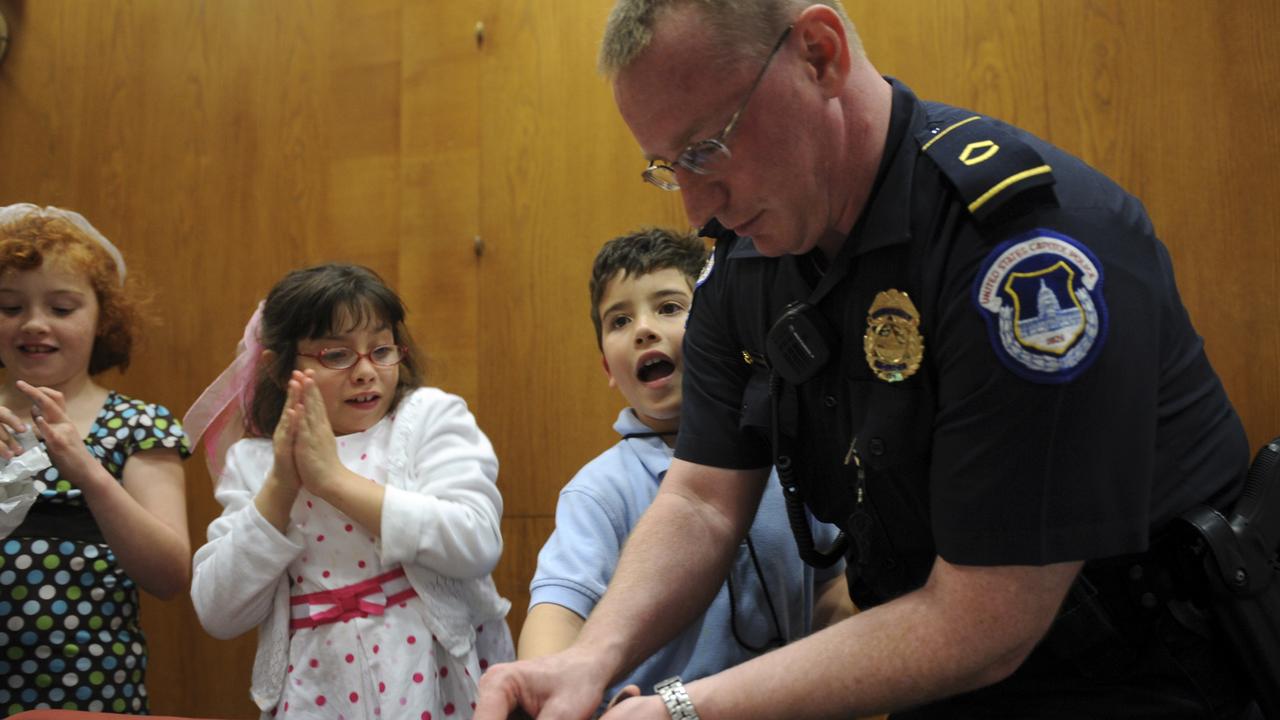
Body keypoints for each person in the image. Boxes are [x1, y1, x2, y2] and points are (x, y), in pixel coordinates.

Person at [475, 1, 1257, 718]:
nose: (694, 205)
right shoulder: (746, 262)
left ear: (819, 54)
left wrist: (682, 708)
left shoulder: (1020, 253)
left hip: (1144, 679)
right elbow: (702, 500)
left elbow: (988, 620)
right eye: (667, 164)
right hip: (938, 680)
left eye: (708, 147)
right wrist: (593, 659)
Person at [518, 228, 851, 708]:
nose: (643, 329)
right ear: (608, 369)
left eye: (669, 308)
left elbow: (828, 585)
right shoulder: (598, 490)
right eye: (619, 321)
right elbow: (558, 611)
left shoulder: (786, 455)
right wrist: (547, 690)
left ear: (719, 331)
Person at [187, 263, 513, 719]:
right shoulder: (256, 462)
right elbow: (218, 613)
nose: (366, 372)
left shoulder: (428, 418)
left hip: (434, 682)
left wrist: (333, 481)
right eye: (336, 356)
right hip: (318, 690)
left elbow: (476, 543)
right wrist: (282, 485)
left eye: (381, 350)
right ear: (279, 369)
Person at [0, 203, 192, 716]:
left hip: (94, 694)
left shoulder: (137, 425)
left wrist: (87, 471)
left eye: (62, 309)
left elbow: (170, 576)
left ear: (103, 316)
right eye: (10, 306)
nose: (34, 324)